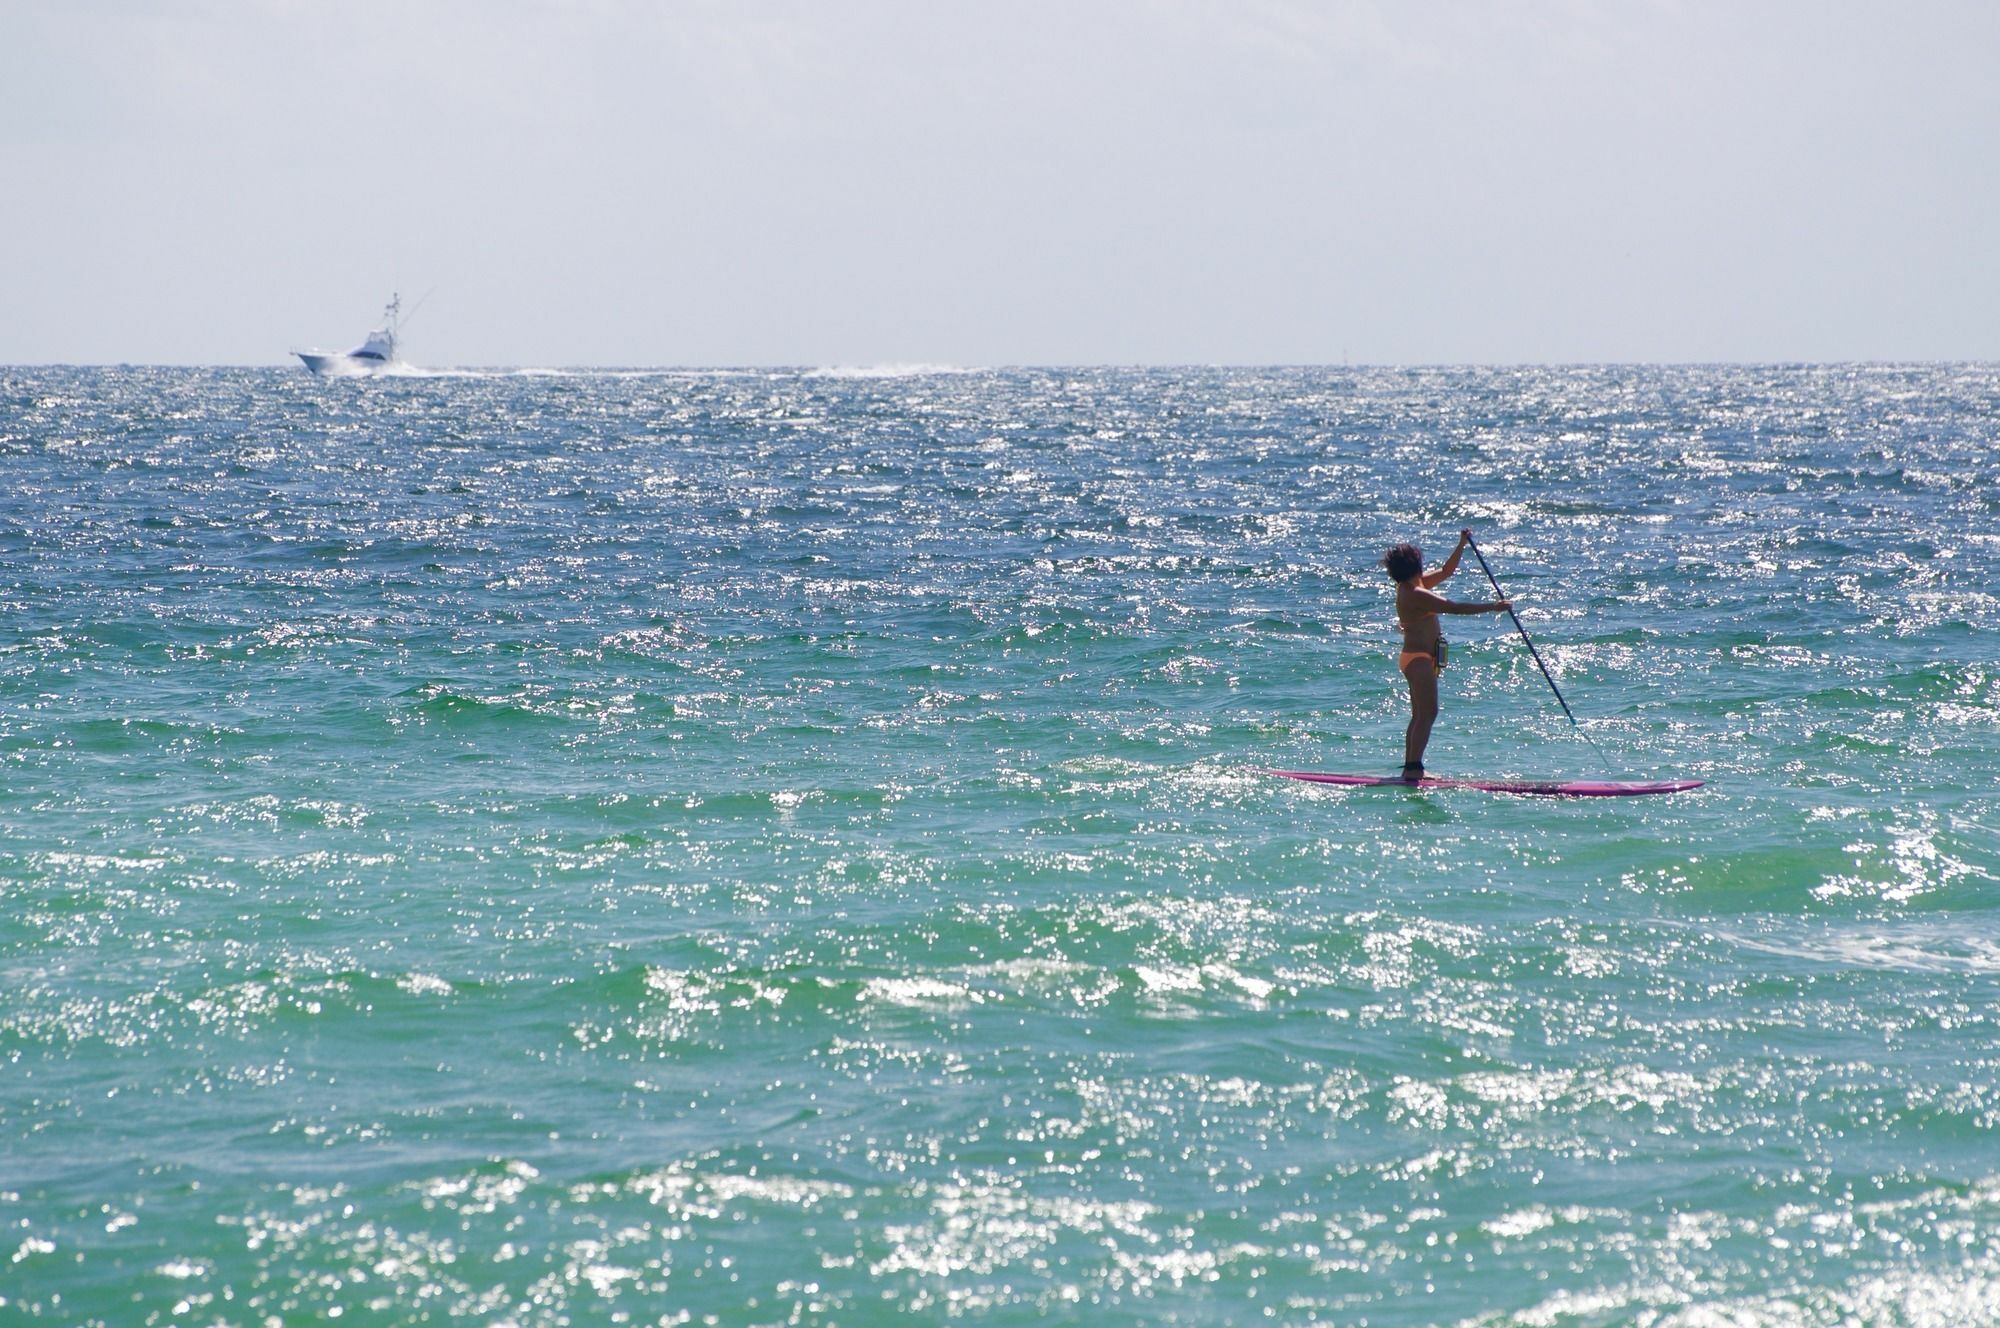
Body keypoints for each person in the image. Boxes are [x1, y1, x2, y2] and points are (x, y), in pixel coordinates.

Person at [1382, 530, 1511, 781]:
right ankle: (1413, 768)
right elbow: (1453, 607)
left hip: (1417, 658)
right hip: (1418, 659)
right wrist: (1493, 607)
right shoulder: (1416, 593)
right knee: (1427, 714)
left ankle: (1411, 767)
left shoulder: (1411, 586)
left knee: (1420, 715)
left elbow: (1446, 571)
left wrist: (1461, 544)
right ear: (1414, 566)